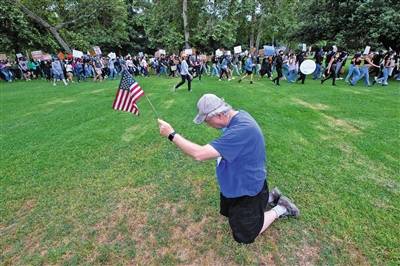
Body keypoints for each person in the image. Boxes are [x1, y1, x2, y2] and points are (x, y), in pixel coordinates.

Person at [157, 94, 299, 244]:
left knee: (245, 236)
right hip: (234, 184)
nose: (207, 124)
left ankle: (282, 208)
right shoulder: (238, 116)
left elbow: (199, 154)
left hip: (247, 188)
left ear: (219, 115)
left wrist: (171, 134)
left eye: (207, 120)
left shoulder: (242, 130)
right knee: (229, 213)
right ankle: (269, 197)